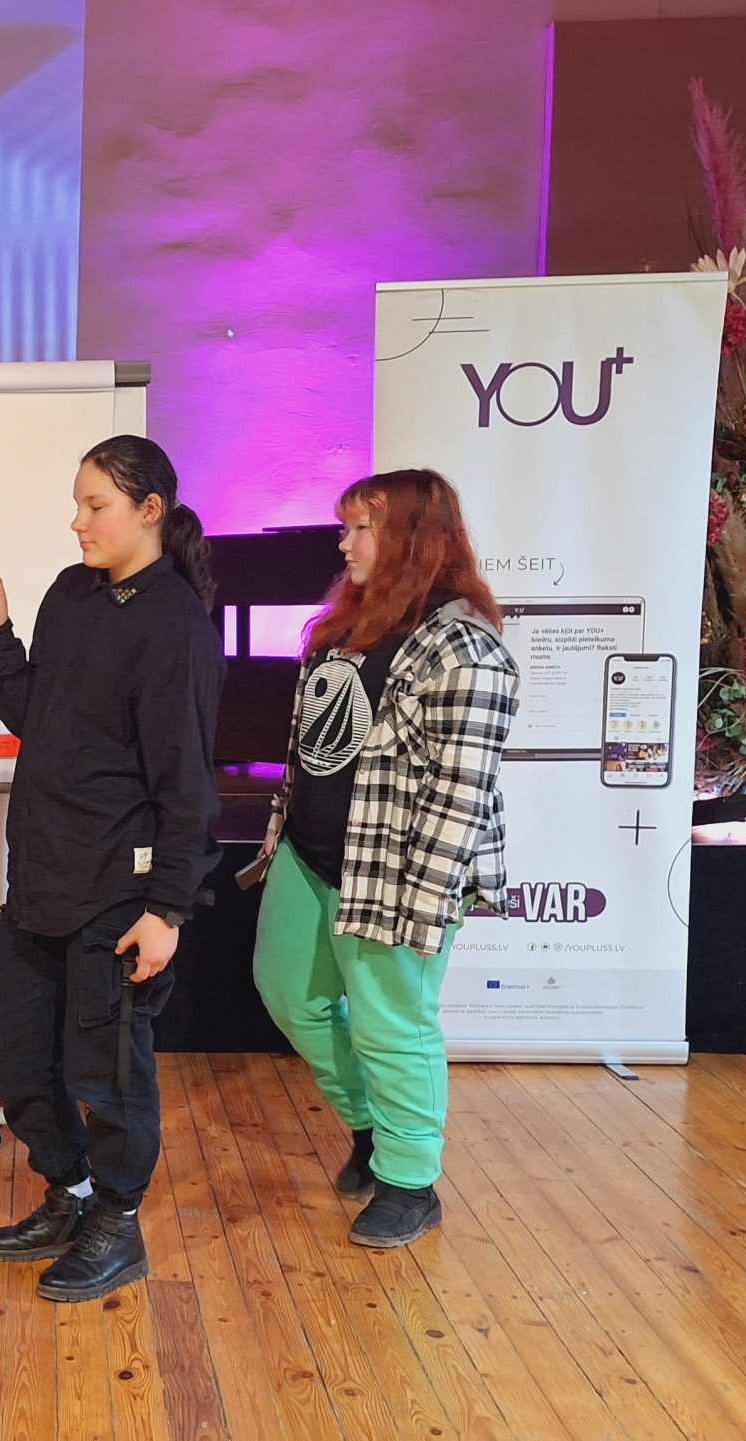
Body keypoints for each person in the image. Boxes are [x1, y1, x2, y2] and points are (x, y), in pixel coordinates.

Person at [0, 434, 223, 1304]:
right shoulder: (70, 593)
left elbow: (187, 780)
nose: (77, 521)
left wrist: (169, 909)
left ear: (150, 510)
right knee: (14, 1056)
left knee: (107, 1073)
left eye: (95, 505)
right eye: (77, 504)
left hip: (120, 891)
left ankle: (118, 1221)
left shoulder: (176, 624)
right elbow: (38, 714)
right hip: (41, 878)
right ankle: (70, 1191)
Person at [250, 468, 517, 1249]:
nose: (344, 543)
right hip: (308, 854)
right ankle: (373, 1123)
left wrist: (424, 905)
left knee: (392, 1025)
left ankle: (409, 1180)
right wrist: (282, 830)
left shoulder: (466, 650)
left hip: (395, 873)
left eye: (359, 528)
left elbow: (462, 793)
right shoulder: (345, 628)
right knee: (289, 996)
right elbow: (312, 747)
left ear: (411, 538)